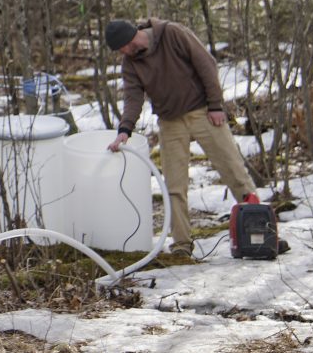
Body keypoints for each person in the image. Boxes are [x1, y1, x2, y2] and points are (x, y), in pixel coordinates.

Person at [104, 18, 260, 256]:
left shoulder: (172, 33)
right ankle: (181, 245)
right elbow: (133, 97)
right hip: (170, 121)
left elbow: (206, 64)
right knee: (174, 186)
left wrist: (216, 105)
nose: (123, 53)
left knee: (234, 170)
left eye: (122, 47)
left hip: (203, 112)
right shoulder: (130, 63)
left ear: (131, 37)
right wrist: (124, 130)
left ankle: (259, 231)